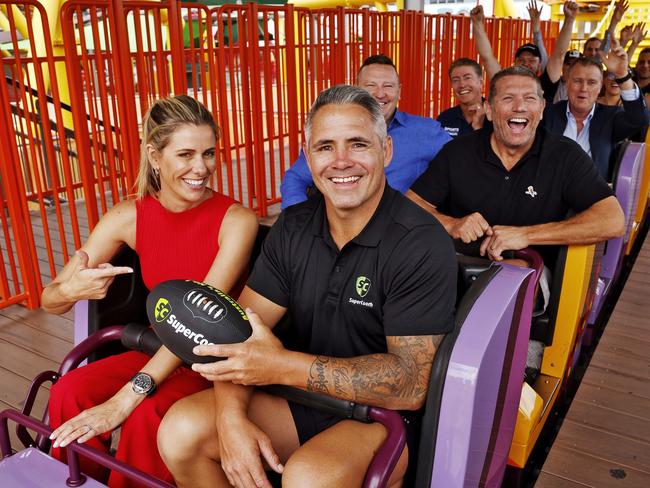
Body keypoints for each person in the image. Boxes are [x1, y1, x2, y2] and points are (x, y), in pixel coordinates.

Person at [157, 85, 457, 488]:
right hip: (300, 399)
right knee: (181, 431)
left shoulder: (420, 241)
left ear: (386, 151)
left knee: (308, 478)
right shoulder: (294, 226)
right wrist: (231, 424)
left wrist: (281, 365)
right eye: (325, 147)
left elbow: (408, 382)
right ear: (308, 155)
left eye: (358, 144)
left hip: (382, 416)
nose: (341, 161)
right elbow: (236, 336)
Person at [43, 95, 259, 487]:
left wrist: (126, 397)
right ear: (155, 157)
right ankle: (73, 480)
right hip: (161, 350)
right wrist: (68, 290)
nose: (201, 168)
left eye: (209, 153)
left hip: (212, 362)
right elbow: (50, 300)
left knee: (145, 416)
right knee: (69, 391)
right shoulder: (129, 215)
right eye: (186, 154)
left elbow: (199, 326)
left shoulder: (236, 220)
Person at [406, 66, 625, 267]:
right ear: (489, 110)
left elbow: (613, 220)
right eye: (508, 98)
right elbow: (411, 205)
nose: (519, 107)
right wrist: (452, 224)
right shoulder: (458, 152)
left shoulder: (565, 155)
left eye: (529, 98)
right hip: (455, 265)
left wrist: (526, 235)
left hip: (528, 272)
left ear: (541, 110)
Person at [279, 54, 451, 209]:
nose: (380, 94)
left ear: (399, 90)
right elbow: (295, 178)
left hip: (400, 229)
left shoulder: (426, 130)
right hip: (342, 225)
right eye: (371, 86)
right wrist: (299, 220)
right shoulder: (335, 128)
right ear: (357, 90)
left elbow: (462, 161)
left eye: (388, 86)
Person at [543, 44, 649, 180]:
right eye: (577, 81)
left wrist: (622, 76)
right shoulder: (548, 113)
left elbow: (640, 118)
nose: (584, 88)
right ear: (567, 82)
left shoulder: (610, 117)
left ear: (600, 87)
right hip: (549, 194)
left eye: (591, 82)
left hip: (592, 198)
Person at [437, 58, 487, 138]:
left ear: (480, 82)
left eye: (467, 78)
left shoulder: (495, 116)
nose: (462, 85)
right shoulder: (445, 117)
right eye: (456, 80)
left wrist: (478, 127)